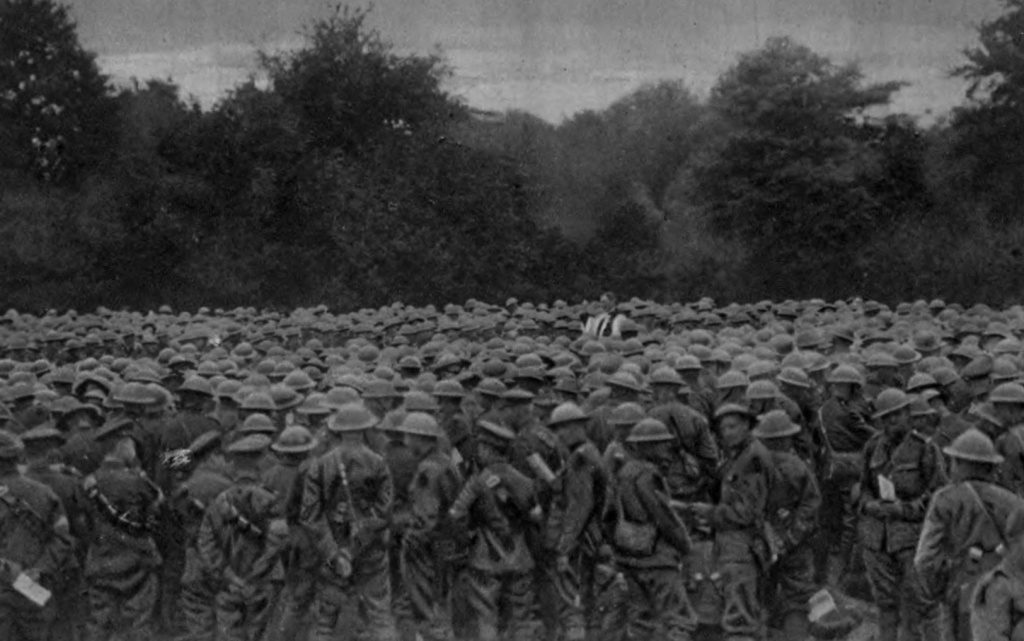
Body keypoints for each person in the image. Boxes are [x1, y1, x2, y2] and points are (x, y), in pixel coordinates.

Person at [301, 402, 398, 641]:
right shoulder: (378, 463)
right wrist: (359, 543)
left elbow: (310, 516)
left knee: (325, 621)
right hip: (372, 549)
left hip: (333, 549)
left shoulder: (321, 464)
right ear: (365, 429)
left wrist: (334, 553)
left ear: (337, 430)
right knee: (379, 616)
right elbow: (384, 512)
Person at [915, 429, 1024, 641]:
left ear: (962, 464)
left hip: (959, 590)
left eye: (954, 461)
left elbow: (924, 559)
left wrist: (937, 590)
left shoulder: (945, 499)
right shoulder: (1014, 502)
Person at [858, 388, 946, 641]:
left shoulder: (924, 449)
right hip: (877, 539)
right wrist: (868, 505)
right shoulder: (872, 447)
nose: (890, 422)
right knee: (885, 603)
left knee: (919, 603)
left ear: (908, 414)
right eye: (885, 418)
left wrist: (905, 509)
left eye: (895, 416)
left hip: (912, 538)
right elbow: (863, 487)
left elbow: (939, 495)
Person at [689, 404, 776, 641]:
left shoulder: (753, 458)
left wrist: (711, 513)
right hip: (733, 543)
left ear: (747, 425)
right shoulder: (738, 455)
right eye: (723, 428)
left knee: (740, 619)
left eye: (733, 426)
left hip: (742, 545)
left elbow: (746, 512)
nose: (727, 432)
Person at [448, 420, 540, 641]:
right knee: (521, 620)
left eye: (480, 448)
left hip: (484, 558)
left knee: (485, 618)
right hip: (519, 557)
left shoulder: (477, 482)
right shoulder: (524, 480)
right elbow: (537, 515)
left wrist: (465, 541)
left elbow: (456, 515)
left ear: (488, 450)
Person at [609, 417, 697, 641]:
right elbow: (663, 517)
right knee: (680, 620)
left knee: (640, 622)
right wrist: (685, 545)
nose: (666, 448)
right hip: (657, 559)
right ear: (645, 447)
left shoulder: (625, 470)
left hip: (629, 558)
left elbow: (611, 512)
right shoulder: (649, 473)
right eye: (660, 443)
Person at [198, 433, 288, 641]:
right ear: (259, 463)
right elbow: (278, 541)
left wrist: (229, 575)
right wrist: (254, 577)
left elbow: (206, 543)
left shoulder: (219, 501)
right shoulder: (269, 499)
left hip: (229, 582)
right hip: (265, 581)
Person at [83, 435, 164, 641]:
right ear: (124, 449)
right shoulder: (138, 481)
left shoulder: (88, 481)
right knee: (138, 623)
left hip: (100, 562)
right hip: (137, 561)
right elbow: (157, 507)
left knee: (100, 623)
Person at [752, 409, 821, 640]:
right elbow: (811, 505)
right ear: (784, 438)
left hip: (759, 545)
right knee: (798, 599)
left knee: (760, 597)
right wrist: (792, 537)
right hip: (796, 544)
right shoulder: (798, 466)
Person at [0, 429, 72, 641]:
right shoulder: (44, 492)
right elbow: (63, 538)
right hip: (33, 586)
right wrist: (39, 569)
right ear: (18, 458)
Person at [396, 412, 462, 641]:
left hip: (426, 547)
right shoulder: (445, 461)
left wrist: (412, 539)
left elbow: (427, 516)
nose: (405, 441)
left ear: (418, 438)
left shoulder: (428, 469)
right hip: (446, 543)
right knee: (439, 604)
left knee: (424, 609)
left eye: (408, 436)